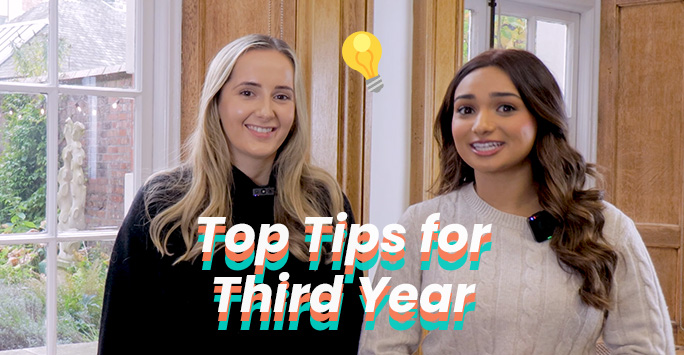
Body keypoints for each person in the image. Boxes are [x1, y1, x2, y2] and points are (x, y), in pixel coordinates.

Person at [358, 49, 675, 354]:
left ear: (541, 117)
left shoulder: (606, 226)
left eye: (505, 108)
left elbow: (647, 347)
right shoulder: (420, 225)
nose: (481, 125)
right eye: (466, 110)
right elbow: (381, 347)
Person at [98, 34, 364, 354]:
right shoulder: (162, 204)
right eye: (248, 92)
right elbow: (121, 337)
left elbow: (352, 331)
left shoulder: (325, 203)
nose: (266, 111)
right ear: (217, 101)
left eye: (282, 96)